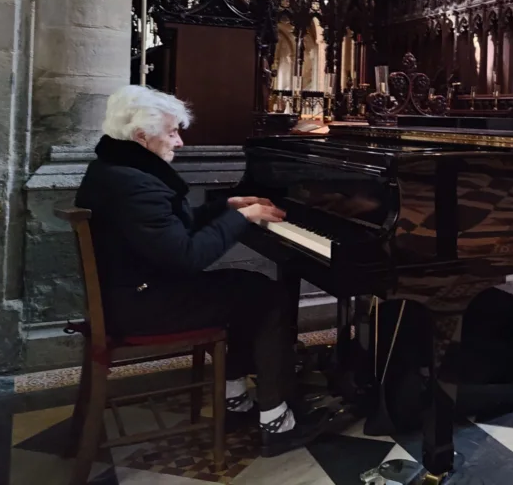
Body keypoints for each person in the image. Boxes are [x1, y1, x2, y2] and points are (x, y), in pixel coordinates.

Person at [75, 85, 334, 456]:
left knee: (248, 290)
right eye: (171, 132)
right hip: (143, 305)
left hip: (133, 292)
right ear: (141, 137)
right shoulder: (136, 185)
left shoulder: (115, 169)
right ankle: (277, 422)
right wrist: (243, 217)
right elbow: (188, 255)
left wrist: (226, 206)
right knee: (265, 295)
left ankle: (236, 400)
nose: (179, 142)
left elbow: (167, 229)